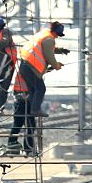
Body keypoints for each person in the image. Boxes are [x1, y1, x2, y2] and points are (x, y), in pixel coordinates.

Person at [17, 21, 69, 155]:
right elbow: (48, 54)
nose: (57, 37)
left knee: (34, 90)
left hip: (25, 64)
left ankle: (32, 107)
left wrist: (60, 50)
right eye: (58, 35)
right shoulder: (49, 39)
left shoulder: (43, 34)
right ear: (55, 32)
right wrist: (56, 65)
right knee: (41, 89)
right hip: (31, 66)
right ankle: (35, 109)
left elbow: (45, 48)